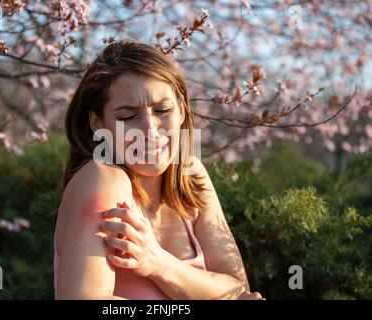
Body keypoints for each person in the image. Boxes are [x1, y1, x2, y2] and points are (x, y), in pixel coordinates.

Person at [54, 39, 264, 300]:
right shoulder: (103, 179)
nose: (150, 131)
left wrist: (158, 262)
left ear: (182, 111)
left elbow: (236, 289)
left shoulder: (191, 175)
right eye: (127, 117)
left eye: (163, 110)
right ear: (98, 122)